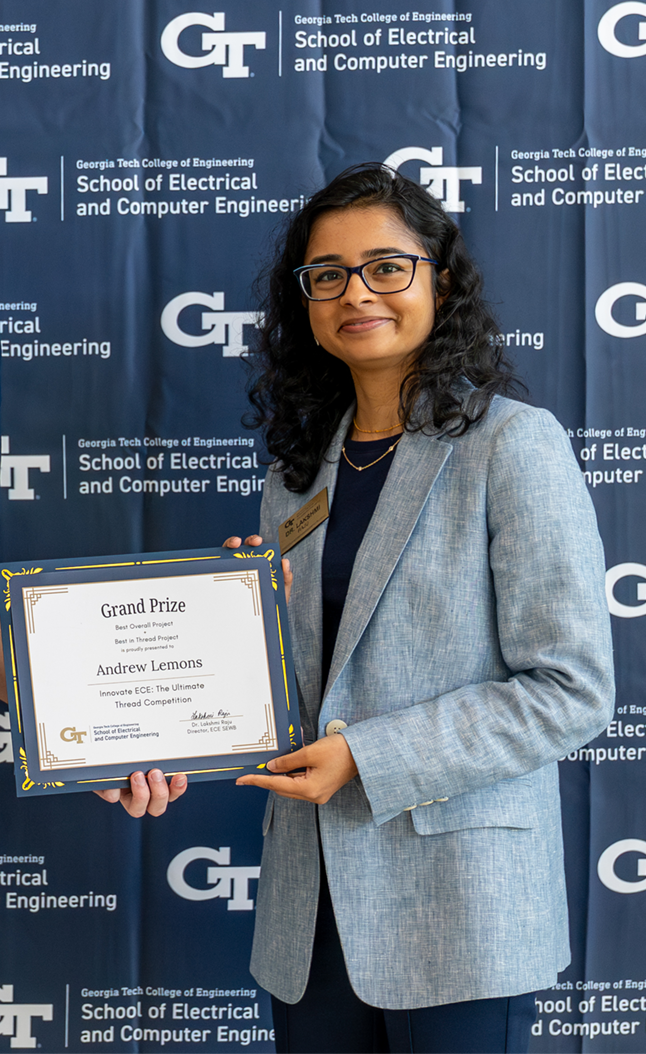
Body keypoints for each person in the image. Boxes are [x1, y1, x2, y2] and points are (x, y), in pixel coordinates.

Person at [224, 164, 614, 1054]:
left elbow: (571, 688)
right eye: (327, 275)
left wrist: (367, 756)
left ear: (439, 279)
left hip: (462, 906)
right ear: (305, 304)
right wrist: (207, 673)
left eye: (386, 267)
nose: (356, 292)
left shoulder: (513, 444)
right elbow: (299, 688)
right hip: (308, 915)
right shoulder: (295, 477)